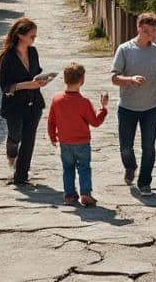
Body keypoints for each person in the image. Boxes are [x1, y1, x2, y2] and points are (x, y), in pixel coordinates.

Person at [111, 12, 156, 195]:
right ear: (139, 28)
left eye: (153, 31)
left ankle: (145, 182)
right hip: (127, 106)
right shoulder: (125, 49)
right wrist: (130, 80)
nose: (150, 35)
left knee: (149, 147)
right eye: (146, 31)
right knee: (126, 146)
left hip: (151, 106)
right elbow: (114, 78)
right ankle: (130, 166)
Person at [0, 17, 53, 186]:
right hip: (14, 105)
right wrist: (29, 84)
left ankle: (21, 177)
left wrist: (43, 80)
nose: (34, 39)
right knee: (15, 136)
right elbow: (6, 87)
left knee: (29, 140)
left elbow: (37, 72)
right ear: (21, 35)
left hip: (34, 102)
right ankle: (11, 149)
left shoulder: (33, 52)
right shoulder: (7, 58)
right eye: (32, 36)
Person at [47, 62, 109, 206]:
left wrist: (52, 136)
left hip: (64, 142)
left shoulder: (56, 100)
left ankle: (69, 195)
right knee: (84, 168)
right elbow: (95, 122)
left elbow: (51, 121)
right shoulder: (84, 102)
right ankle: (85, 193)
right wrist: (103, 109)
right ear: (82, 81)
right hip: (82, 143)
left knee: (67, 168)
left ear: (64, 79)